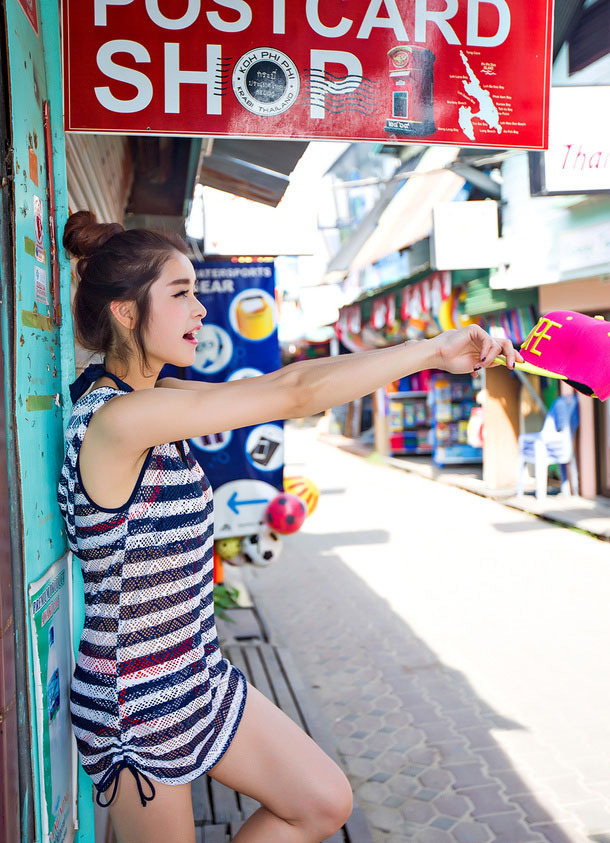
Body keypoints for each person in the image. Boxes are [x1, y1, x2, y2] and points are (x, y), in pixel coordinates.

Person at [57, 210, 522, 843]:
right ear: (126, 312)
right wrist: (434, 351)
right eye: (181, 294)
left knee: (323, 801)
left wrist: (432, 353)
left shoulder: (158, 402)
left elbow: (286, 383)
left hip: (194, 670)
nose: (200, 311)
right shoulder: (117, 420)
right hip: (132, 698)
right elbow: (296, 391)